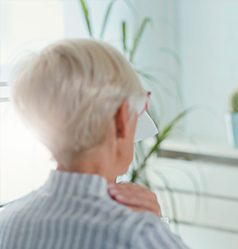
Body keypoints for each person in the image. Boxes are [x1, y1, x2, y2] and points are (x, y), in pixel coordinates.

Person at [0, 39, 189, 249]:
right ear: (120, 119)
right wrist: (156, 227)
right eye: (141, 106)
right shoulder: (137, 234)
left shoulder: (7, 223)